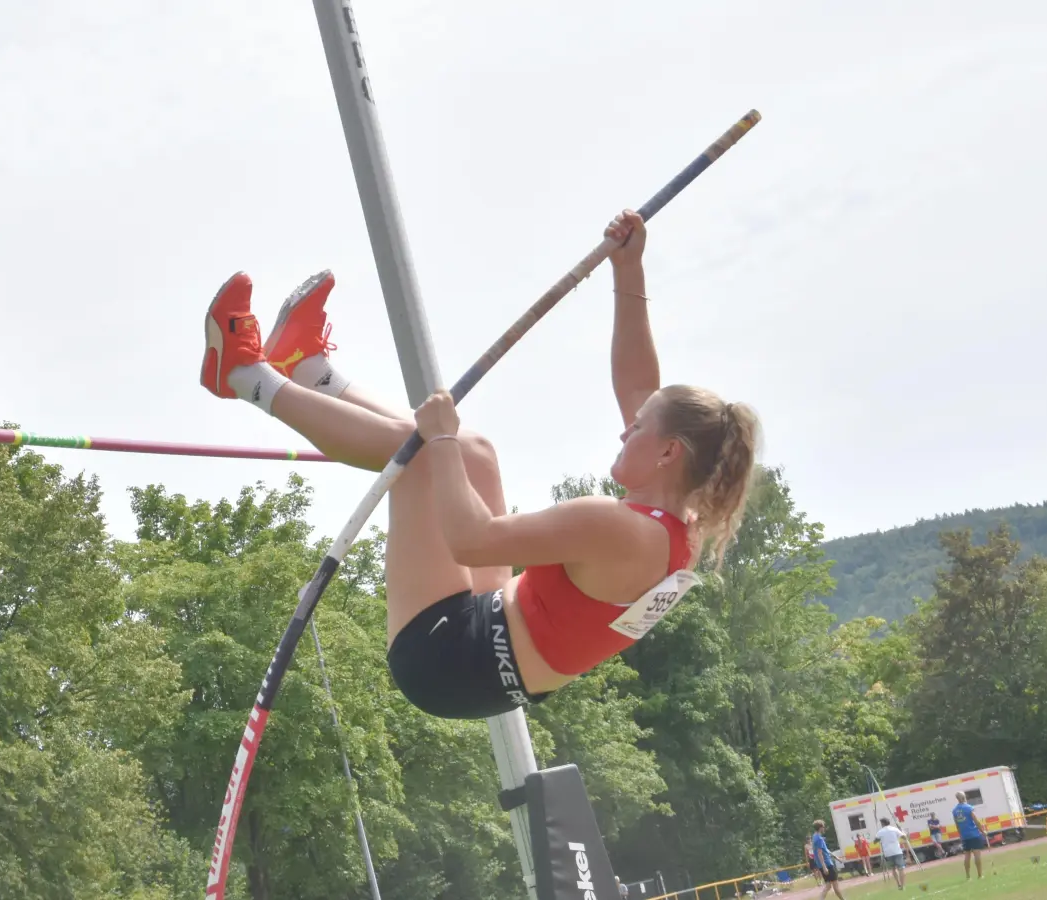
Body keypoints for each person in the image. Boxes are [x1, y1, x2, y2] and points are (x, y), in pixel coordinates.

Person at [197, 210, 760, 720]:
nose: (625, 426)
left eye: (639, 427)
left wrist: (439, 441)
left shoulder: (616, 527)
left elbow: (471, 541)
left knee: (427, 461)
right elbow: (641, 385)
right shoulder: (678, 517)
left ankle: (245, 377)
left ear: (667, 452)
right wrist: (628, 270)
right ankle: (311, 371)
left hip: (447, 659)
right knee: (479, 455)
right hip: (492, 638)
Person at [951, 791, 987, 880]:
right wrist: (983, 831)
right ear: (964, 797)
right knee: (977, 854)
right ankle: (980, 875)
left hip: (964, 835)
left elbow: (957, 825)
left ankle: (968, 876)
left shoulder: (955, 811)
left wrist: (961, 835)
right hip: (973, 834)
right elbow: (976, 821)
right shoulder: (968, 808)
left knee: (967, 855)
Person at [811, 820, 848, 899]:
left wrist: (835, 857)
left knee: (828, 886)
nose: (824, 828)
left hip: (822, 864)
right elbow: (819, 853)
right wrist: (824, 867)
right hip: (827, 864)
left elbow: (825, 850)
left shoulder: (814, 836)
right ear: (820, 828)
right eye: (823, 827)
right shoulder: (819, 839)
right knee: (835, 885)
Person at [875, 817, 908, 891]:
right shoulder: (894, 829)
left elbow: (875, 841)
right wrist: (904, 833)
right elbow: (904, 837)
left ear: (883, 823)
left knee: (893, 868)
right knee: (901, 869)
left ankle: (898, 884)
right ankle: (902, 886)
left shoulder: (880, 831)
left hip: (888, 853)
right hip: (897, 851)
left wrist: (879, 838)